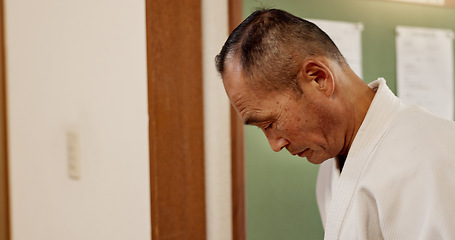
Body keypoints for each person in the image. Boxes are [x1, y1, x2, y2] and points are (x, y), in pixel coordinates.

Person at [215, 8, 455, 240]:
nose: (275, 145)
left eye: (269, 123)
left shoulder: (434, 155)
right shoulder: (330, 164)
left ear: (318, 78)